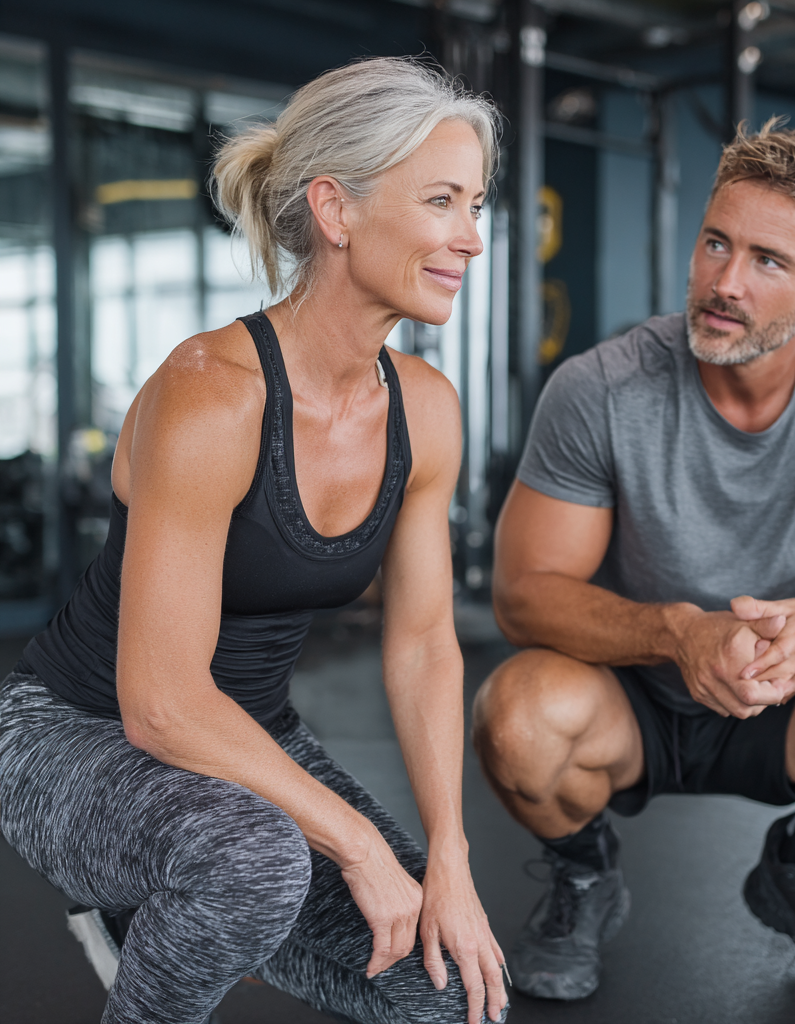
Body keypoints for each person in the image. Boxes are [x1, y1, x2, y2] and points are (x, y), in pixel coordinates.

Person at [0, 58, 508, 1024]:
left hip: (247, 747)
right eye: (441, 201)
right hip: (72, 736)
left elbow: (422, 643)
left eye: (475, 205)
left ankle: (160, 911)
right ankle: (158, 909)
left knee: (448, 994)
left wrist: (449, 857)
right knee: (254, 862)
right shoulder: (211, 395)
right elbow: (160, 705)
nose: (471, 238)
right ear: (336, 209)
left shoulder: (427, 409)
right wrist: (358, 844)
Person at [472, 120, 795, 1003]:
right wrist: (678, 632)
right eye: (716, 243)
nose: (724, 282)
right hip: (633, 695)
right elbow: (523, 595)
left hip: (794, 694)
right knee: (514, 716)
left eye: (767, 261)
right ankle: (585, 871)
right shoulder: (600, 388)